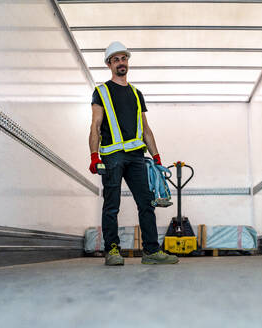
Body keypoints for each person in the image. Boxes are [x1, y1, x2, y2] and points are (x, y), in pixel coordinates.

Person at [88, 41, 179, 266]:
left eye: (124, 58)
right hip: (112, 156)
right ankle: (113, 250)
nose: (121, 62)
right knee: (112, 205)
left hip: (137, 157)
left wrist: (156, 158)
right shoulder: (101, 91)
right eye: (116, 59)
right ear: (109, 64)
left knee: (146, 203)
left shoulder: (137, 94)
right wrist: (93, 155)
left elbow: (146, 128)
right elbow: (95, 125)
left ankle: (151, 252)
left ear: (128, 62)